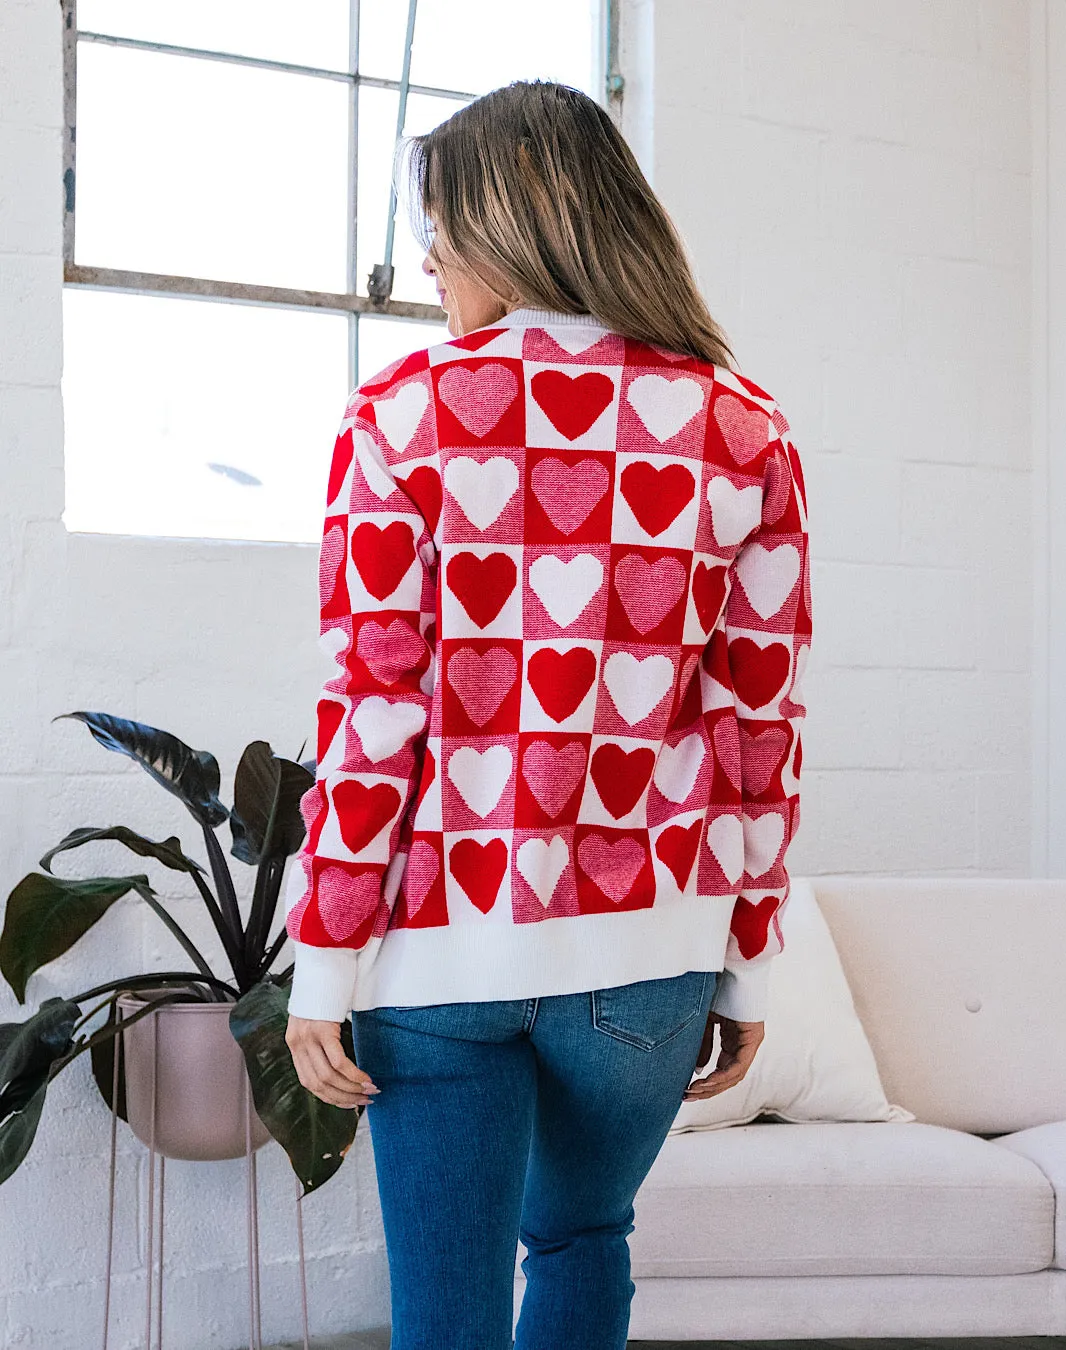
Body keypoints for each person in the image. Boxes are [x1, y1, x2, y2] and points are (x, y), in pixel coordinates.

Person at [284, 78, 811, 1350]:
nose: (427, 259)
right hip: (651, 954)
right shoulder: (743, 430)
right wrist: (745, 963)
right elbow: (760, 728)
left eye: (441, 227)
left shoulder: (401, 416)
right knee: (581, 1241)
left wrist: (325, 962)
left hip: (442, 948)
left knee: (446, 1319)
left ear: (510, 228)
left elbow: (374, 710)